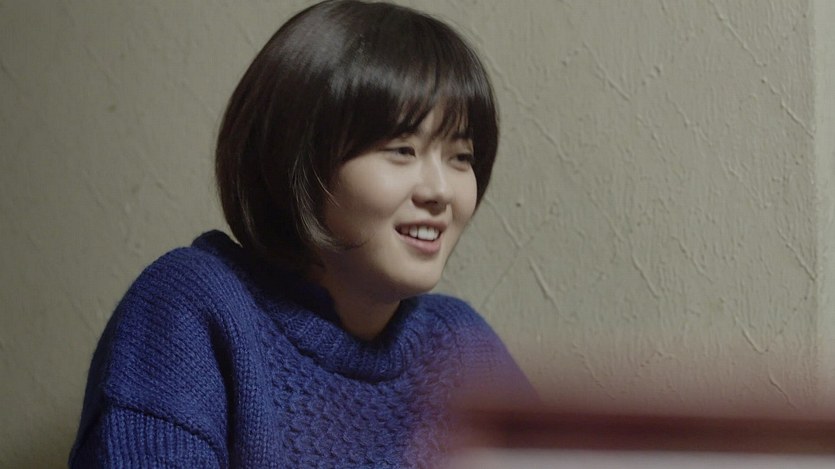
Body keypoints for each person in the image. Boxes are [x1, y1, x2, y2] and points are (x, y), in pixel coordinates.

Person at [69, 1, 534, 467]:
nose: (440, 191)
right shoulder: (192, 306)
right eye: (401, 149)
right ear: (298, 158)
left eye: (461, 157)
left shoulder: (463, 344)